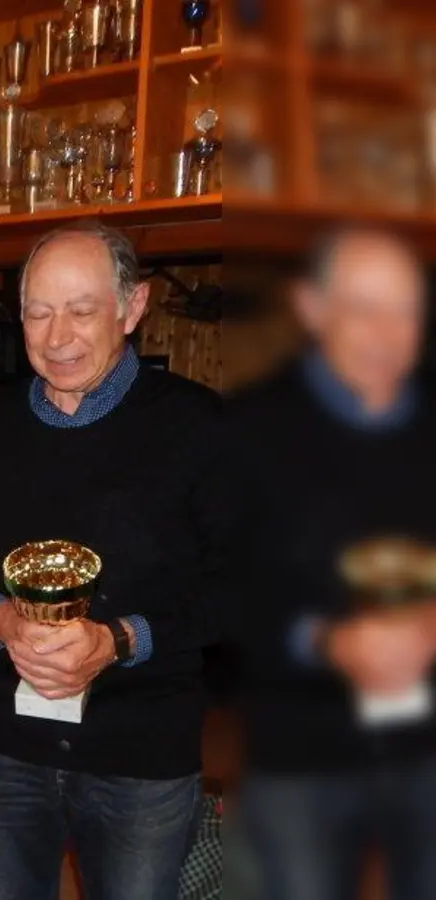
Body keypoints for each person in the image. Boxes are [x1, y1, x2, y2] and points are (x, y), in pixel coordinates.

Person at [0, 220, 230, 900]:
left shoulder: (200, 427)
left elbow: (237, 585)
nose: (57, 336)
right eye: (39, 312)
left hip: (141, 754)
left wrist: (119, 640)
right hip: (7, 748)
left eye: (82, 311)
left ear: (133, 307)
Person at [224, 226, 436, 900]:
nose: (386, 331)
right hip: (299, 751)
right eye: (362, 307)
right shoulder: (251, 430)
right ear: (313, 309)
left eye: (404, 309)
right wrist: (326, 640)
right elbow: (222, 591)